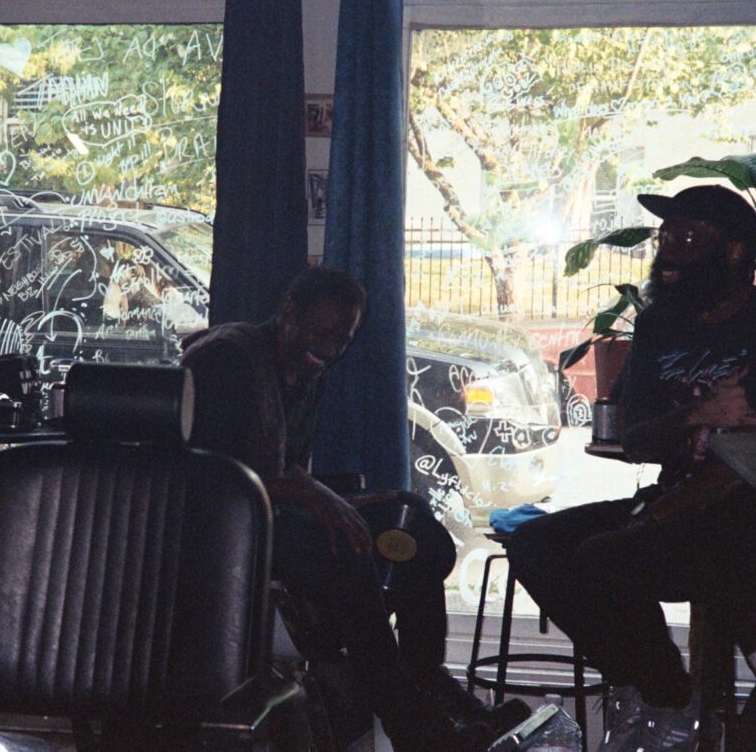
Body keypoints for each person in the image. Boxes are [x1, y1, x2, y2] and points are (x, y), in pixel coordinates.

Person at [507, 186, 756, 749]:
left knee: (607, 556)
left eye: (688, 237)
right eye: (665, 237)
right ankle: (666, 696)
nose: (669, 251)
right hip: (668, 503)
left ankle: (668, 704)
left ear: (737, 253)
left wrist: (669, 508)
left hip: (750, 519)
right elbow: (636, 438)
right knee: (535, 544)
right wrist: (696, 415)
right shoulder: (656, 326)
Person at [182, 267, 528, 752]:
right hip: (227, 533)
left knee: (408, 525)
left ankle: (429, 684)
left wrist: (346, 502)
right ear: (288, 313)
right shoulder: (231, 357)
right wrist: (326, 501)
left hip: (275, 515)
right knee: (347, 553)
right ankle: (417, 729)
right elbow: (233, 469)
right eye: (322, 334)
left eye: (341, 341)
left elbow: (291, 470)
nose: (330, 349)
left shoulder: (309, 369)